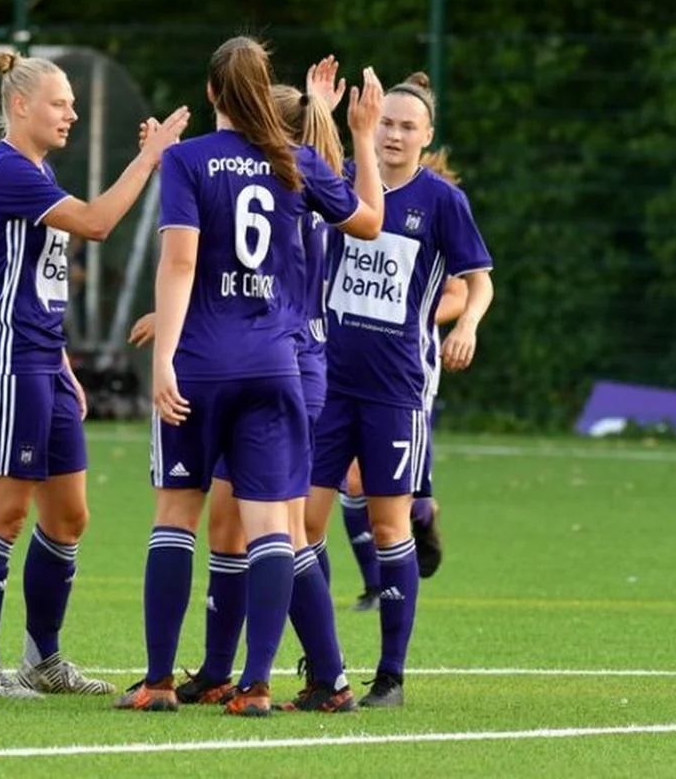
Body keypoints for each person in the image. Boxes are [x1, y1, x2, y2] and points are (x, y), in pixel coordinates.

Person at [114, 37, 383, 717]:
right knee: (273, 529)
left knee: (177, 518)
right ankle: (257, 684)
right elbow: (370, 223)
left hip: (203, 364)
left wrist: (163, 358)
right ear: (265, 94)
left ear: (211, 94)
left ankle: (158, 682)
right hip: (277, 366)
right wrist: (362, 138)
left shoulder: (187, 160)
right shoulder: (293, 164)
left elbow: (180, 264)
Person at [0, 49, 189, 699]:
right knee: (2, 515)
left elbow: (33, 280)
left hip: (41, 364)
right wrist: (149, 159)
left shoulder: (36, 169)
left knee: (69, 516)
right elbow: (97, 223)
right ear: (21, 105)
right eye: (61, 103)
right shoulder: (6, 170)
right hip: (4, 363)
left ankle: (43, 661)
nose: (73, 114)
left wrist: (60, 362)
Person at [305, 71, 495, 708]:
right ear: (371, 124)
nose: (394, 134)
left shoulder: (442, 202)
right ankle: (323, 665)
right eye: (386, 122)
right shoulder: (342, 184)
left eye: (407, 126)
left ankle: (390, 676)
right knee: (301, 527)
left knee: (390, 529)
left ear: (427, 136)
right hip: (325, 382)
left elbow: (479, 280)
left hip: (395, 389)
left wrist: (466, 323)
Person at [342, 272, 467, 611]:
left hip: (405, 375)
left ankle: (423, 512)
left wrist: (402, 318)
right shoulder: (340, 221)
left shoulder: (431, 219)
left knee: (398, 492)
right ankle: (375, 587)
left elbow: (459, 293)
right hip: (348, 366)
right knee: (353, 482)